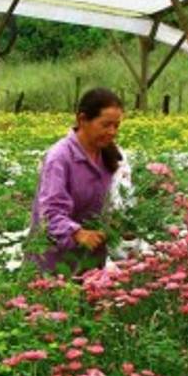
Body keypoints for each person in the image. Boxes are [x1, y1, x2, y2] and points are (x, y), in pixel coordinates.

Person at [29, 87, 130, 274]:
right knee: (58, 301)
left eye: (116, 126)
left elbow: (115, 203)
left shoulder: (110, 155)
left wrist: (121, 225)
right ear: (82, 119)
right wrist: (77, 233)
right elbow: (50, 212)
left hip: (92, 260)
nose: (112, 132)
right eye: (106, 125)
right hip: (55, 263)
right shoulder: (60, 157)